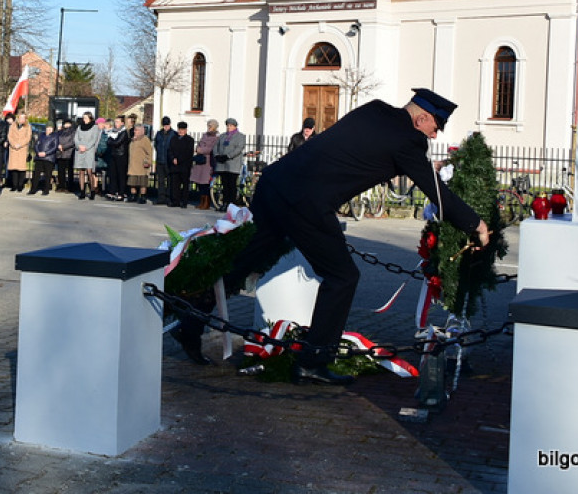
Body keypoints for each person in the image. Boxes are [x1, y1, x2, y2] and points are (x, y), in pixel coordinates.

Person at [235, 89, 491, 386]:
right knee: (342, 277)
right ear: (421, 118)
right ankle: (313, 360)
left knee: (248, 257)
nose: (434, 137)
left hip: (275, 182)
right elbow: (437, 192)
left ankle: (190, 315)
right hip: (308, 202)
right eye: (435, 128)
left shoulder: (375, 109)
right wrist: (477, 225)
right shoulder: (407, 140)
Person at [212, 118, 246, 211]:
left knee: (232, 185)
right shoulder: (222, 136)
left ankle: (231, 204)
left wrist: (228, 156)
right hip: (222, 164)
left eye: (230, 125)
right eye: (227, 125)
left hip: (233, 164)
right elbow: (216, 146)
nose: (228, 127)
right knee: (224, 185)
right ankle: (225, 202)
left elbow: (239, 149)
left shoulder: (240, 136)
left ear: (235, 126)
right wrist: (217, 155)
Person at [191, 119, 219, 210]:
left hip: (208, 162)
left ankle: (206, 202)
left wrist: (200, 150)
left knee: (205, 183)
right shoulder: (204, 135)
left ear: (215, 127)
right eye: (208, 126)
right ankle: (201, 201)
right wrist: (198, 148)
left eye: (211, 126)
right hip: (200, 162)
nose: (209, 128)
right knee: (199, 183)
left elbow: (211, 149)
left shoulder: (216, 137)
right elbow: (199, 144)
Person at [73, 111, 101, 200]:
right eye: (83, 118)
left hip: (89, 151)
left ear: (90, 118)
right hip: (80, 151)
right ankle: (82, 191)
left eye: (85, 118)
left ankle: (92, 190)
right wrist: (79, 146)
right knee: (81, 172)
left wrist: (86, 147)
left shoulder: (94, 127)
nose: (84, 119)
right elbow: (76, 138)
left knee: (89, 172)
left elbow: (94, 139)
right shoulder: (80, 127)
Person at [168, 121, 195, 208]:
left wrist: (178, 159)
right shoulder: (173, 139)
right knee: (175, 184)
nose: (181, 131)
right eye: (180, 129)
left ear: (186, 130)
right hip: (175, 165)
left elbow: (188, 153)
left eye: (183, 129)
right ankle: (175, 201)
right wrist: (173, 158)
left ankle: (184, 201)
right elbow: (170, 150)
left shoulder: (190, 140)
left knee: (185, 184)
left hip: (184, 166)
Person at [104, 115, 131, 201]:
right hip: (113, 155)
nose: (115, 124)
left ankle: (121, 193)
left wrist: (111, 141)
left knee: (121, 175)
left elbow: (117, 142)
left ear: (122, 123)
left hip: (121, 155)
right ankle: (112, 192)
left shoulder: (124, 132)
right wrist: (111, 141)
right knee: (113, 174)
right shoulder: (113, 132)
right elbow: (108, 141)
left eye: (117, 122)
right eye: (115, 122)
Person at [6, 111, 32, 192]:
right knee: (14, 168)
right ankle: (14, 185)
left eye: (23, 118)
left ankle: (20, 185)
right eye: (20, 117)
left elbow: (28, 138)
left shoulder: (28, 127)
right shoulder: (12, 126)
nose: (21, 119)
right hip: (13, 149)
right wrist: (14, 144)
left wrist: (20, 144)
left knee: (21, 169)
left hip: (22, 149)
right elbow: (9, 136)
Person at [126, 124, 153, 204]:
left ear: (141, 131)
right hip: (133, 165)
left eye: (136, 130)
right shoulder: (133, 140)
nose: (134, 131)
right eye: (134, 130)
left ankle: (143, 196)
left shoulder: (145, 140)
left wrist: (148, 162)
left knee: (142, 183)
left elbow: (149, 152)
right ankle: (133, 195)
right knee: (132, 182)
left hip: (141, 164)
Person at [29, 122, 58, 195]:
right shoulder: (41, 135)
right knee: (36, 174)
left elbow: (54, 147)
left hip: (49, 158)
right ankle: (33, 189)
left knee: (48, 174)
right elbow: (36, 145)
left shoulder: (55, 136)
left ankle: (46, 189)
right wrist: (38, 152)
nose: (49, 129)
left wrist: (46, 153)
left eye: (50, 128)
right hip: (39, 157)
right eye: (48, 128)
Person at [153, 116, 174, 205]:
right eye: (164, 125)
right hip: (160, 160)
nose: (166, 127)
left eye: (167, 125)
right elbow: (156, 145)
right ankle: (161, 198)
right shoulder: (159, 134)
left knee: (170, 181)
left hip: (169, 161)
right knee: (160, 181)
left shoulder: (173, 134)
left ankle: (169, 198)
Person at [55, 119, 76, 192]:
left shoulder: (73, 132)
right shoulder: (59, 132)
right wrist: (58, 145)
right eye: (65, 123)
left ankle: (70, 187)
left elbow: (73, 142)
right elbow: (55, 139)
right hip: (60, 153)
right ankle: (61, 186)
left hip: (69, 153)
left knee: (70, 171)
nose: (66, 125)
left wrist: (63, 147)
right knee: (60, 171)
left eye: (68, 124)